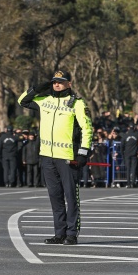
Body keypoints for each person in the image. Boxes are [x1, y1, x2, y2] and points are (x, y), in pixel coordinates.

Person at [18, 69, 93, 246]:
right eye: (54, 81)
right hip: (47, 156)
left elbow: (87, 129)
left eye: (61, 81)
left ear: (69, 83)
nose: (56, 84)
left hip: (67, 158)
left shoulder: (77, 103)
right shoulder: (44, 100)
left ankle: (72, 234)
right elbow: (22, 100)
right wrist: (38, 88)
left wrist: (83, 152)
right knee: (55, 196)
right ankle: (59, 233)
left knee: (71, 197)